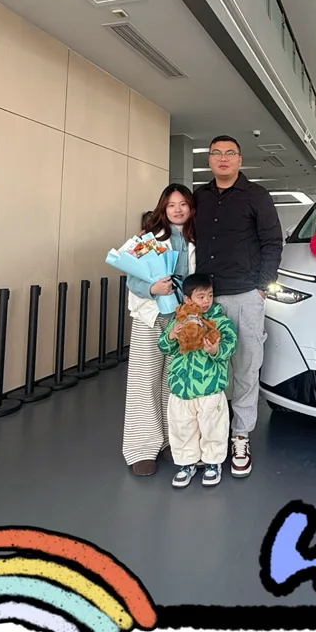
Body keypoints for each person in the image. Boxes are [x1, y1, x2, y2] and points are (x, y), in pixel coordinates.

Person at [193, 135, 283, 478]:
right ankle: (210, 437)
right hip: (206, 298)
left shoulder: (257, 196)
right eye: (216, 153)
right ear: (209, 160)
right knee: (208, 370)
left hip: (246, 295)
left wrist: (262, 287)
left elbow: (272, 242)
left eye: (230, 153)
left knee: (245, 368)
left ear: (240, 160)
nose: (223, 158)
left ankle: (240, 436)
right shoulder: (199, 197)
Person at [122, 184, 196, 477]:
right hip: (150, 317)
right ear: (163, 208)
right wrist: (153, 288)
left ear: (191, 207)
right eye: (171, 205)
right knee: (145, 380)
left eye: (183, 204)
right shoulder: (148, 238)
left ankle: (170, 440)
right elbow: (132, 278)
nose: (178, 210)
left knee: (173, 382)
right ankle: (141, 448)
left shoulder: (197, 238)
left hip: (182, 319)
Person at [158, 274, 237, 488]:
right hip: (181, 388)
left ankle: (213, 462)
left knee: (213, 427)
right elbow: (164, 347)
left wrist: (216, 350)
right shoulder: (179, 320)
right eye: (201, 296)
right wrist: (171, 335)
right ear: (187, 299)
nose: (207, 301)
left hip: (210, 387)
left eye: (210, 295)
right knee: (182, 427)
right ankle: (186, 463)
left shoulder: (219, 321)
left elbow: (231, 343)